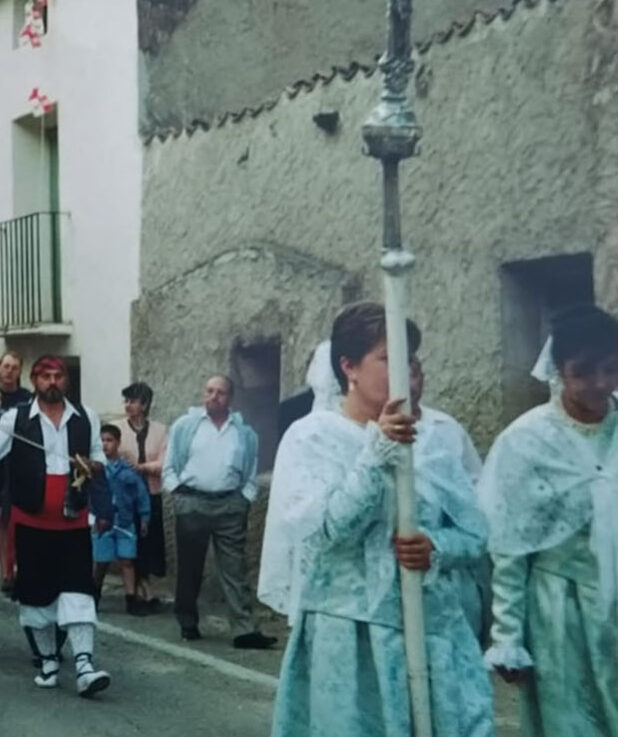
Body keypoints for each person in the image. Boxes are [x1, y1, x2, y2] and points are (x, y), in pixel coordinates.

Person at [259, 303, 492, 736]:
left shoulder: (435, 438)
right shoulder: (313, 437)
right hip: (351, 636)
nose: (404, 372)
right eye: (388, 360)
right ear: (349, 366)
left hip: (433, 631)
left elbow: (476, 534)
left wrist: (436, 547)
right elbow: (328, 531)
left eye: (411, 361)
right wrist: (377, 453)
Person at [479, 304, 618, 735]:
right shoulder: (526, 442)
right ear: (559, 369)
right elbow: (509, 548)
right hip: (561, 611)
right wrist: (507, 636)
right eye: (584, 372)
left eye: (611, 369)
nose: (599, 383)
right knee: (572, 722)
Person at [0, 355, 111, 697]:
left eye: (58, 375)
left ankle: (84, 665)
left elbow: (100, 461)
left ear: (66, 380)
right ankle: (48, 662)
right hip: (32, 524)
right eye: (45, 376)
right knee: (37, 598)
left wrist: (91, 468)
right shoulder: (15, 418)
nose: (52, 381)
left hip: (73, 522)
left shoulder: (86, 418)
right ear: (35, 381)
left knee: (79, 593)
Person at [162, 375, 276, 648]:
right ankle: (188, 622)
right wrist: (177, 492)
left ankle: (244, 629)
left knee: (234, 569)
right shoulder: (186, 426)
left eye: (220, 393)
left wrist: (245, 498)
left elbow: (251, 471)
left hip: (230, 506)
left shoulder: (244, 433)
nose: (213, 397)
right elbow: (170, 465)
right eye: (209, 391)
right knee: (190, 567)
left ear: (230, 399)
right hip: (192, 503)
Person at [409, 357, 488, 641]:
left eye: (414, 374)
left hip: (448, 567)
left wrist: (442, 543)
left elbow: (476, 494)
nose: (408, 384)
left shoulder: (445, 428)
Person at [112, 382, 169, 609]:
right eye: (126, 401)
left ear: (144, 405)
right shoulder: (116, 428)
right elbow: (111, 457)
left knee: (149, 542)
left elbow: (166, 462)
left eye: (133, 401)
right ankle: (138, 588)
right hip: (126, 497)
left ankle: (144, 585)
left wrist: (141, 467)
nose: (128, 405)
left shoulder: (160, 430)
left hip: (151, 493)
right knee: (130, 541)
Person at [0, 351, 32, 595]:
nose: (9, 371)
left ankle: (22, 569)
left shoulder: (29, 400)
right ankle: (5, 573)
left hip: (21, 466)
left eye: (14, 367)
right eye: (5, 366)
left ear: (20, 371)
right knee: (1, 520)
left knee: (19, 522)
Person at [92, 424, 151, 615]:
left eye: (109, 440)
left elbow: (141, 494)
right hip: (103, 521)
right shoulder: (95, 469)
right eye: (102, 440)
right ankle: (94, 598)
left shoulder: (129, 470)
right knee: (101, 562)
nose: (105, 445)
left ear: (117, 443)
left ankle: (131, 599)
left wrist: (144, 517)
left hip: (125, 520)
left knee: (127, 560)